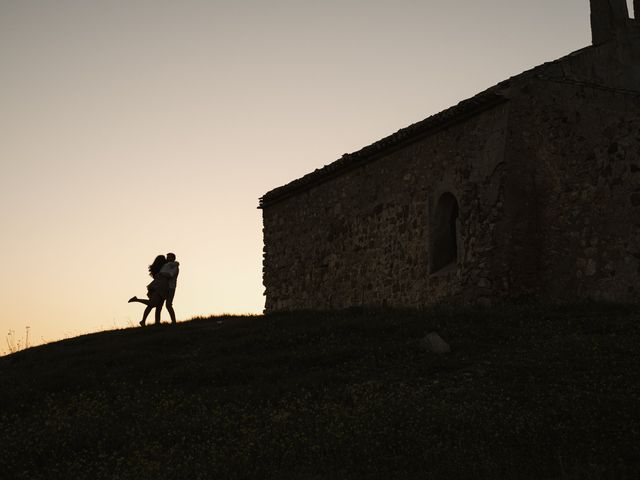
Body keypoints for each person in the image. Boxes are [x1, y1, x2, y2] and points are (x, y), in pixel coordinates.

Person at [128, 255, 170, 326]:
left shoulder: (157, 268)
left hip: (158, 287)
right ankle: (136, 299)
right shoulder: (163, 267)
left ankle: (154, 322)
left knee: (156, 306)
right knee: (152, 304)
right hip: (159, 287)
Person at [159, 252, 179, 324]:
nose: (167, 258)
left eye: (169, 257)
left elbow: (171, 275)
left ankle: (173, 321)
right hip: (163, 287)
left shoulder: (175, 267)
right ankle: (157, 322)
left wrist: (162, 274)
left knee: (168, 305)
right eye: (167, 257)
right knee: (159, 305)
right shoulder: (166, 266)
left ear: (173, 258)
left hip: (171, 287)